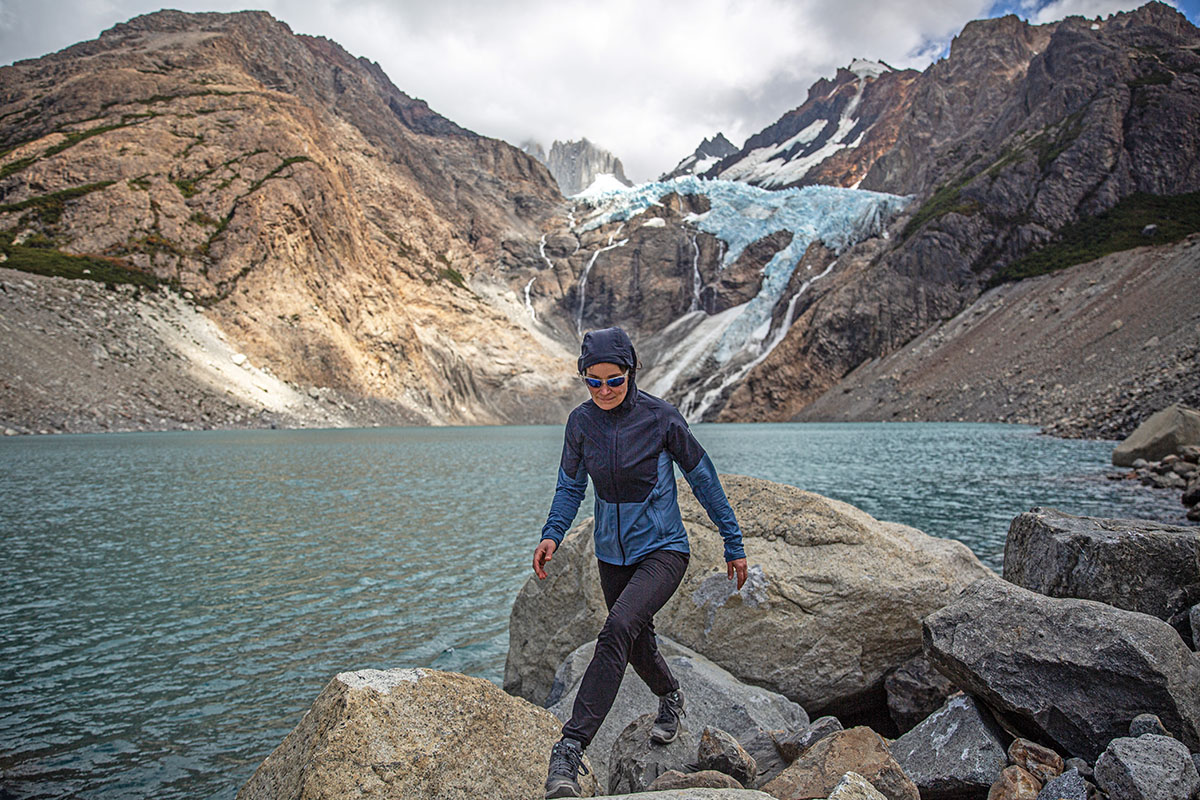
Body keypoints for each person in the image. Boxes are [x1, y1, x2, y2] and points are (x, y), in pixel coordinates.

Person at [533, 326, 748, 799]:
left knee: (616, 628)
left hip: (664, 549)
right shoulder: (580, 423)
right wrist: (553, 533)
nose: (604, 390)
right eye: (593, 381)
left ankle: (568, 749)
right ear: (584, 377)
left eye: (615, 380)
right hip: (611, 555)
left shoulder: (661, 418)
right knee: (635, 642)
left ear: (631, 372)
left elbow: (704, 479)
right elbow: (570, 486)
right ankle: (671, 695)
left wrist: (733, 541)